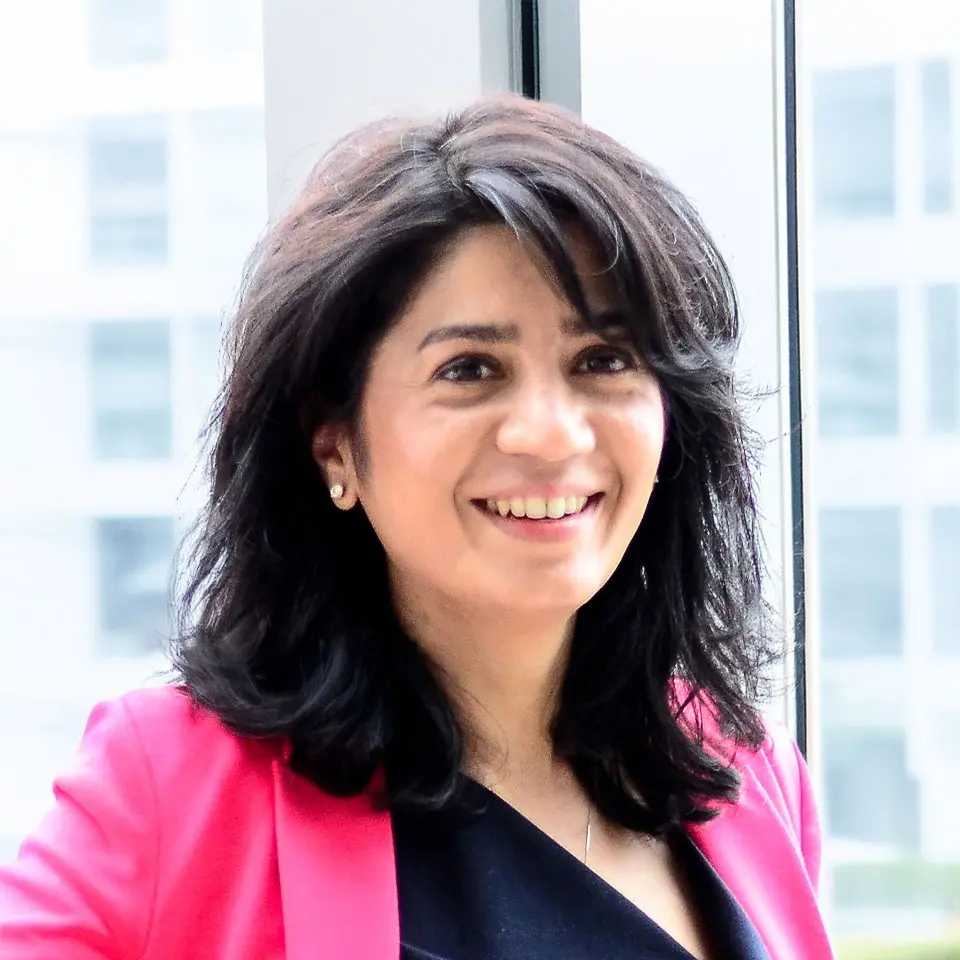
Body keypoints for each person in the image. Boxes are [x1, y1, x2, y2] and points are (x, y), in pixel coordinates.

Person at [0, 94, 833, 959]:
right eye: (470, 370)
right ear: (334, 440)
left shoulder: (749, 771)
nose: (551, 434)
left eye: (603, 360)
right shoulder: (171, 784)